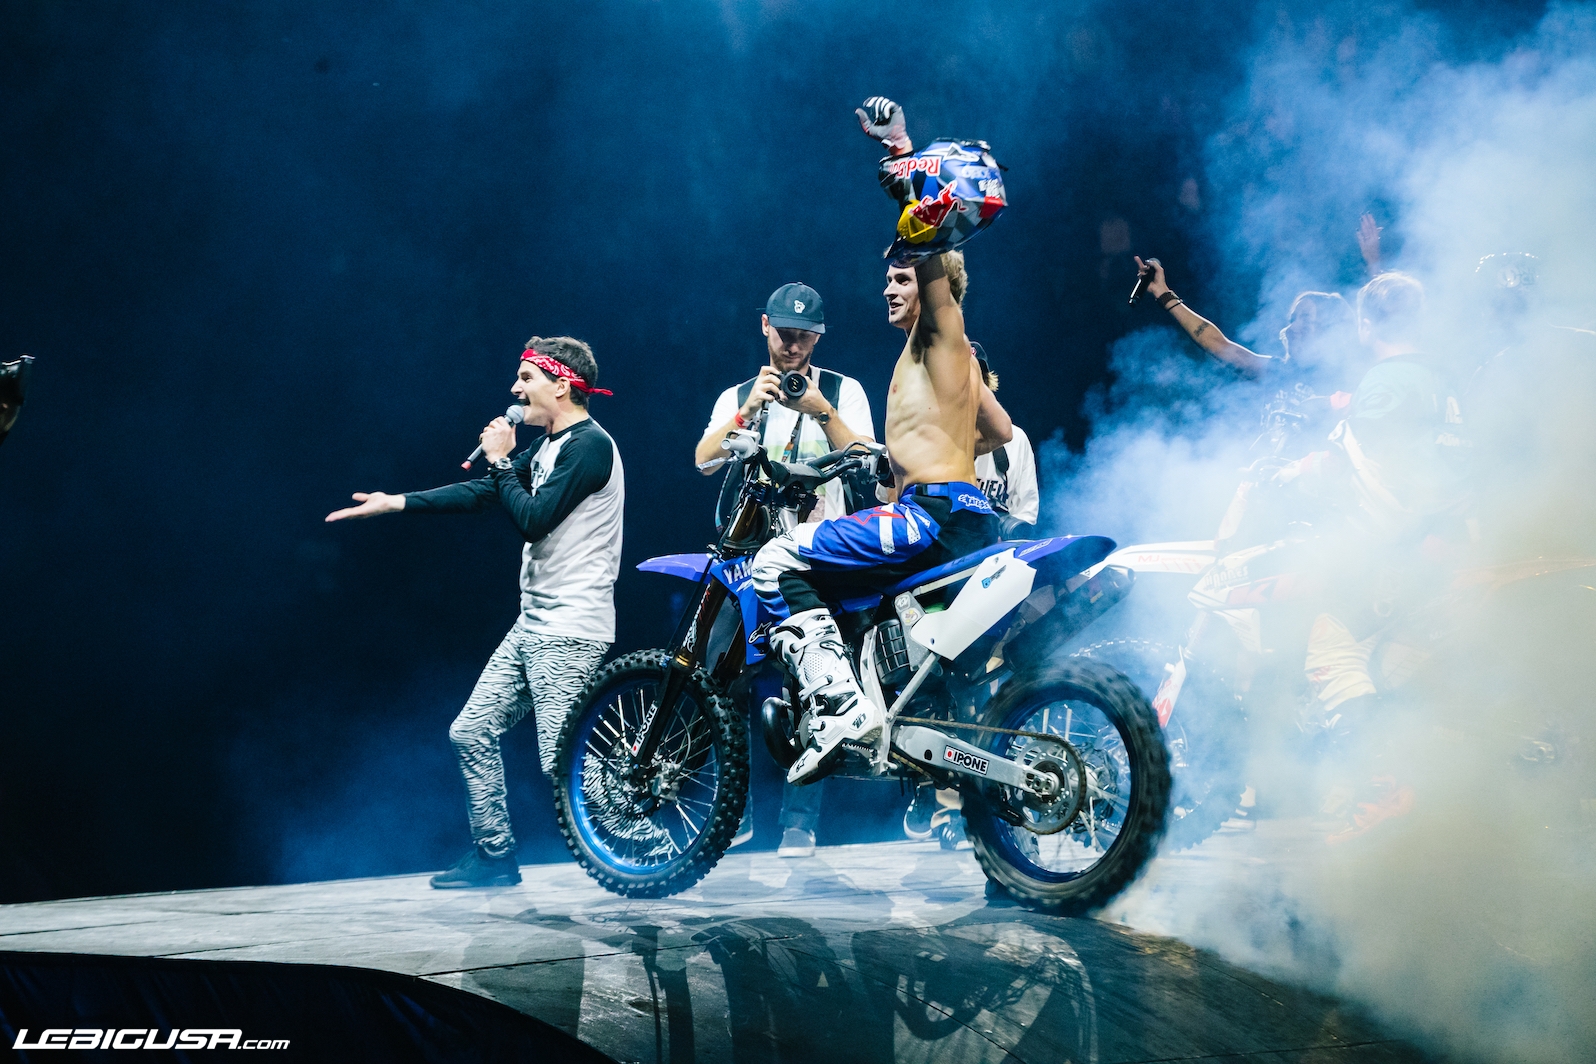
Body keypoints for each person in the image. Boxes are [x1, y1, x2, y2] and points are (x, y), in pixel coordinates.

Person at [750, 95, 1013, 787]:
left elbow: (933, 255)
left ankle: (840, 709)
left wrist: (902, 151)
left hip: (933, 516)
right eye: (888, 277)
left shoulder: (941, 333)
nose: (888, 287)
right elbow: (999, 431)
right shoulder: (944, 363)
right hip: (958, 513)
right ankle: (893, 726)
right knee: (852, 604)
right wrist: (931, 449)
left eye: (901, 277)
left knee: (775, 560)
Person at [325, 337, 623, 887]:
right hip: (535, 623)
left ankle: (656, 849)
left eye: (526, 378)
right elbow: (486, 494)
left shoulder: (590, 446)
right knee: (470, 731)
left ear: (561, 385)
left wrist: (503, 459)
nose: (514, 388)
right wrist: (396, 503)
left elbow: (533, 519)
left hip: (570, 627)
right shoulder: (551, 446)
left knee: (562, 762)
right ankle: (495, 856)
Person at [695, 283, 876, 858]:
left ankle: (800, 822)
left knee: (811, 678)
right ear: (765, 327)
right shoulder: (739, 394)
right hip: (748, 556)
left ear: (818, 338)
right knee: (718, 675)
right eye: (784, 334)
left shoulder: (843, 391)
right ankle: (735, 812)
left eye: (804, 337)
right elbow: (703, 460)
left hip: (816, 557)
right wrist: (749, 410)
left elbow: (870, 461)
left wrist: (820, 411)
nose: (792, 347)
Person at [970, 343, 1038, 537]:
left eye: (977, 377)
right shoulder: (932, 435)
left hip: (996, 550)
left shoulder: (1015, 439)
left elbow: (1024, 517)